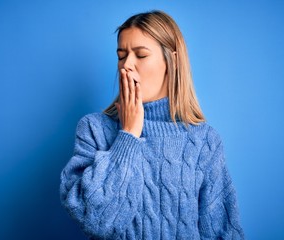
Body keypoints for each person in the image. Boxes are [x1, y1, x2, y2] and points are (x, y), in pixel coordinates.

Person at [60, 10, 245, 239]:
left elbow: (223, 232)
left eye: (140, 55)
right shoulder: (94, 129)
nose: (126, 65)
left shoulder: (204, 141)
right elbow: (95, 220)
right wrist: (128, 134)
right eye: (121, 55)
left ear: (172, 61)